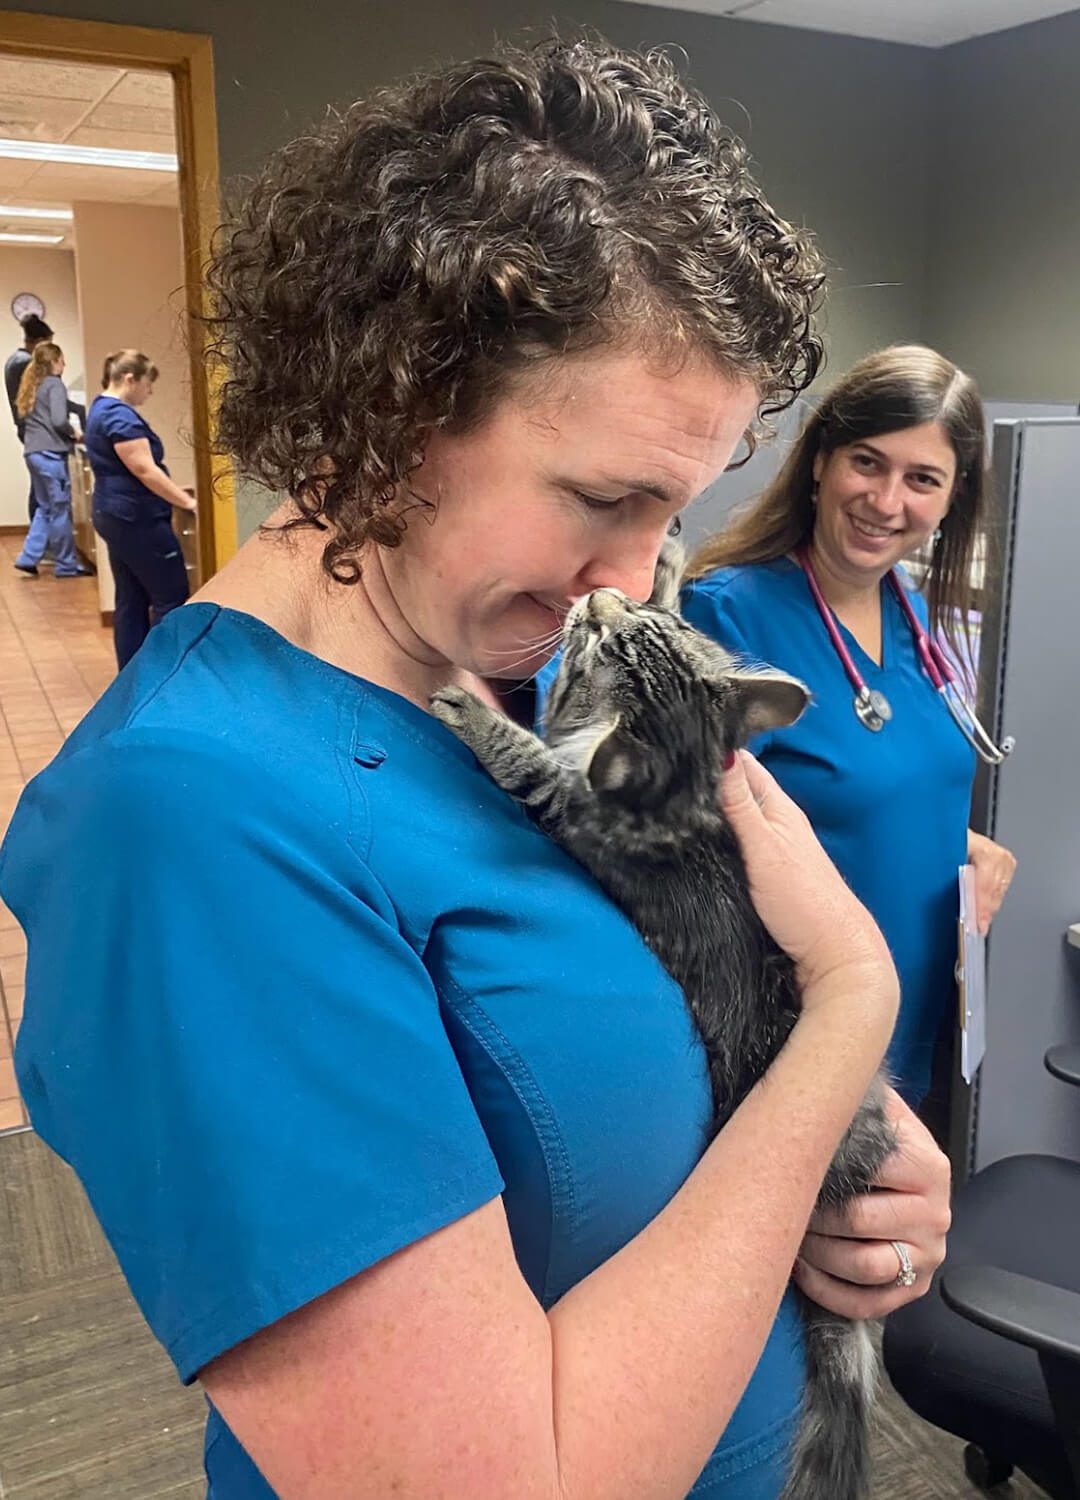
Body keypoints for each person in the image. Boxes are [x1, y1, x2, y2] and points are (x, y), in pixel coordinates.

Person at [0, 42, 950, 1500]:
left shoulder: (509, 681)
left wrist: (839, 1173)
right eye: (602, 498)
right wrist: (850, 1013)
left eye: (675, 516)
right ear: (391, 408)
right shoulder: (196, 817)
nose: (636, 580)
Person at [683, 346, 1017, 1115]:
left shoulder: (917, 617)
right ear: (820, 461)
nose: (887, 500)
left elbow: (872, 785)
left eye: (923, 478)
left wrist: (959, 843)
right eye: (868, 462)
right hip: (790, 1039)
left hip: (914, 1014)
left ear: (951, 497)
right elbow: (692, 855)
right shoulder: (728, 614)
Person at [84, 349, 197, 668]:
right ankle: (166, 674)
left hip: (114, 515)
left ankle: (132, 675)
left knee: (131, 599)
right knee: (170, 596)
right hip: (137, 519)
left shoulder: (99, 410)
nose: (150, 391)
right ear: (130, 379)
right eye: (148, 384)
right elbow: (145, 470)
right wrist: (187, 502)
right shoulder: (119, 416)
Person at [13, 341, 89, 578]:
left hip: (33, 453)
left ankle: (28, 556)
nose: (64, 364)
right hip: (50, 455)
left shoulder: (34, 386)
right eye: (62, 359)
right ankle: (66, 565)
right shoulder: (55, 384)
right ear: (54, 361)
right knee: (59, 511)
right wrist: (75, 433)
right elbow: (58, 420)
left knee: (45, 509)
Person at [5, 312, 54, 521]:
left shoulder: (13, 360)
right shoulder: (25, 363)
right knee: (43, 489)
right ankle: (41, 540)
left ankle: (39, 540)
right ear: (39, 342)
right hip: (35, 429)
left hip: (28, 429)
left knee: (39, 485)